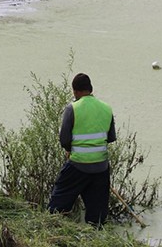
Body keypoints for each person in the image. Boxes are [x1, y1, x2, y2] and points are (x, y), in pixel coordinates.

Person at [48, 73, 117, 226]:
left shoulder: (72, 108)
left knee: (56, 207)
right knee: (97, 217)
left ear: (75, 91)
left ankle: (53, 232)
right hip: (101, 168)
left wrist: (69, 149)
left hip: (77, 166)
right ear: (91, 89)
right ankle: (96, 237)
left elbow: (64, 139)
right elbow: (111, 137)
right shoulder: (107, 108)